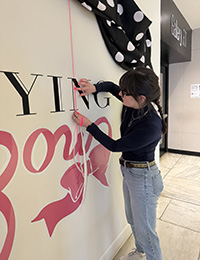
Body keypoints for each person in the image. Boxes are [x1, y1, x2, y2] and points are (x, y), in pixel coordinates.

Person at [72, 67, 166, 260]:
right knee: (132, 219)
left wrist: (89, 125)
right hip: (130, 172)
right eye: (122, 91)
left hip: (144, 178)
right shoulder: (133, 99)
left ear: (140, 98)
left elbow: (115, 146)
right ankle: (140, 253)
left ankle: (149, 255)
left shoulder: (151, 126)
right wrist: (95, 88)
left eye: (125, 93)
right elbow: (111, 86)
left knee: (147, 232)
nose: (120, 94)